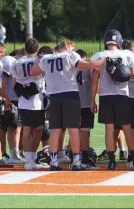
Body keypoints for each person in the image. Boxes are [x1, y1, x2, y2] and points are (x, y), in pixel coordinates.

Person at [31, 39, 105, 171]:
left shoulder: (47, 58)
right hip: (70, 94)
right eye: (72, 47)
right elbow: (88, 66)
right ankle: (76, 161)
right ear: (66, 46)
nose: (73, 49)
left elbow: (33, 71)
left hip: (53, 95)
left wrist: (40, 58)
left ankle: (53, 161)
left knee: (56, 129)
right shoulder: (71, 55)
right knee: (73, 128)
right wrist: (104, 60)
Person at [90, 30, 134, 171]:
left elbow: (94, 82)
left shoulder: (100, 56)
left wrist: (92, 100)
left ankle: (112, 162)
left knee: (109, 128)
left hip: (106, 96)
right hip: (123, 96)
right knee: (127, 127)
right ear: (119, 41)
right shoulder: (127, 55)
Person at [11, 38, 49, 170]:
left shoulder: (16, 62)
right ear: (37, 49)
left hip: (23, 101)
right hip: (37, 100)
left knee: (26, 130)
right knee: (38, 130)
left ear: (25, 48)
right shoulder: (39, 61)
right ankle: (32, 158)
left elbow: (15, 81)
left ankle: (28, 160)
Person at [0, 49, 25, 164]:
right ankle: (12, 154)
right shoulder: (9, 61)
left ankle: (15, 153)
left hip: (17, 100)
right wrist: (5, 98)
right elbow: (3, 83)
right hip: (10, 99)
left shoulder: (16, 63)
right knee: (12, 127)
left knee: (18, 128)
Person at [75, 49, 97, 168]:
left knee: (75, 131)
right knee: (85, 131)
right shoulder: (87, 67)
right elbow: (94, 83)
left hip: (73, 102)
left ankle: (75, 156)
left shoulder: (72, 66)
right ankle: (84, 158)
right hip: (85, 102)